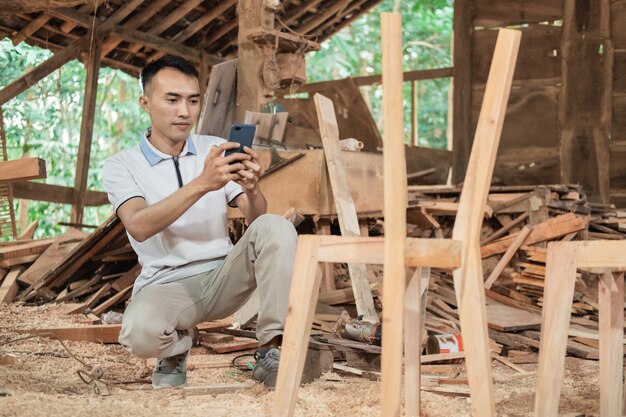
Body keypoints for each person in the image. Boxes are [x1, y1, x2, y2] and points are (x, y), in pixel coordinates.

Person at [102, 55, 296, 389]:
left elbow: (257, 220)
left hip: (223, 275)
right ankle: (176, 349)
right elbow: (139, 225)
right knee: (139, 336)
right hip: (165, 284)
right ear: (145, 103)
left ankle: (270, 350)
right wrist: (203, 183)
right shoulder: (122, 165)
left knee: (277, 226)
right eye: (172, 99)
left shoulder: (214, 148)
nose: (184, 111)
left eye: (193, 100)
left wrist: (252, 188)